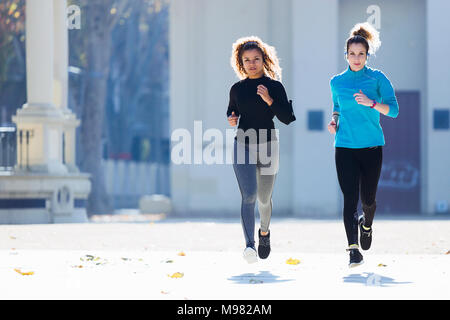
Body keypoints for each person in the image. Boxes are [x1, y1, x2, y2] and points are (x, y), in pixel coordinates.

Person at [328, 22, 399, 268]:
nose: (356, 58)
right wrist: (334, 121)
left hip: (371, 148)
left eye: (361, 54)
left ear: (367, 55)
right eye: (352, 54)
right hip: (345, 147)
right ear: (345, 55)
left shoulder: (377, 79)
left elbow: (394, 110)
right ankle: (353, 250)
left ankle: (366, 225)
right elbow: (337, 108)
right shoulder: (337, 82)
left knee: (368, 200)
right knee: (349, 199)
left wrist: (371, 103)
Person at [227, 36, 296, 263]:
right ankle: (249, 246)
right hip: (243, 143)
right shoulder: (236, 89)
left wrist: (268, 99)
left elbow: (287, 118)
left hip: (268, 144)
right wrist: (231, 117)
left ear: (264, 60)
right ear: (241, 63)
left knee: (264, 199)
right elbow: (232, 111)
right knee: (249, 195)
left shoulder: (274, 86)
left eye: (256, 59)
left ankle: (264, 232)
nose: (252, 63)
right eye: (247, 60)